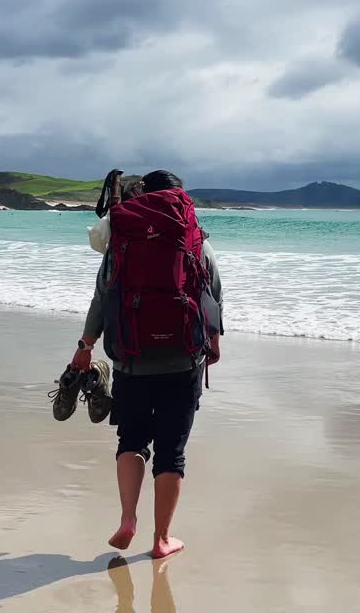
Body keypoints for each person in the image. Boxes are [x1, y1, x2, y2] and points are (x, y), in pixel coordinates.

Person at [70, 169, 223, 559]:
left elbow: (102, 299)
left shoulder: (123, 239)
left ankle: (127, 520)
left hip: (131, 360)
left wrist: (85, 345)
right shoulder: (194, 238)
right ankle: (161, 540)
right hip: (183, 360)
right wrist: (215, 341)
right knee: (172, 452)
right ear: (181, 197)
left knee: (132, 441)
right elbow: (212, 292)